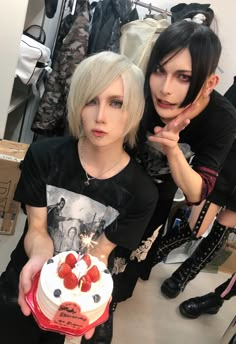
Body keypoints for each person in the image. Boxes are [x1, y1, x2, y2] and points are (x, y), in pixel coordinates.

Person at [0, 51, 158, 344]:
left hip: (85, 297)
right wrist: (39, 257)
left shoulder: (142, 193)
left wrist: (81, 298)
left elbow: (99, 254)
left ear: (134, 109)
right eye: (91, 100)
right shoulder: (42, 156)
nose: (100, 116)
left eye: (116, 103)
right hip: (26, 278)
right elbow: (37, 229)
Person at [110, 10, 236, 312]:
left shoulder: (221, 119)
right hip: (112, 180)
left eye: (184, 77)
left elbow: (196, 193)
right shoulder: (139, 87)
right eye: (160, 70)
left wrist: (173, 149)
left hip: (155, 196)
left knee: (124, 265)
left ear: (209, 83)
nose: (165, 88)